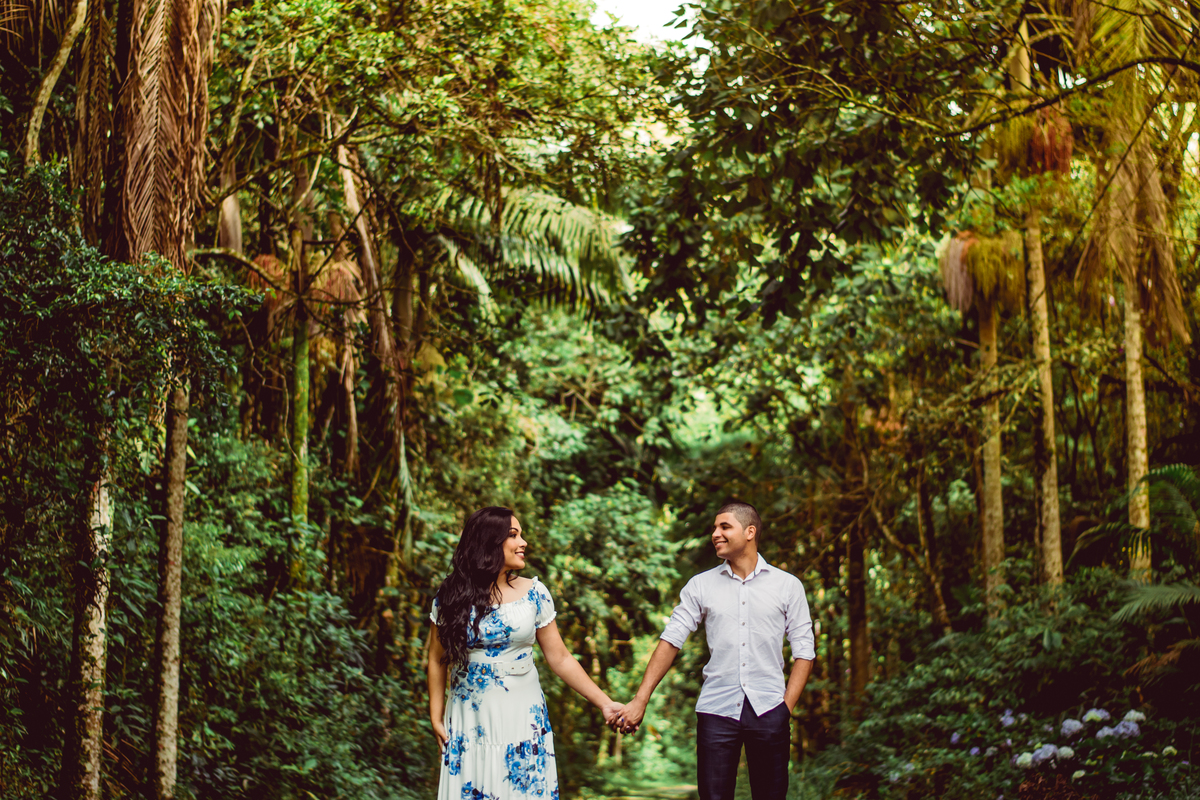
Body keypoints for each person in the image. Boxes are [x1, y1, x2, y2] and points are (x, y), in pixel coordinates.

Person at [614, 501, 815, 800]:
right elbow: (671, 640)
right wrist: (640, 699)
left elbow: (804, 649)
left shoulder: (787, 586)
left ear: (750, 532)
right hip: (716, 711)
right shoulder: (700, 586)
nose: (715, 534)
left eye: (724, 526)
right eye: (714, 528)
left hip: (770, 709)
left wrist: (785, 709)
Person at [427, 506, 624, 799]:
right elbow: (435, 659)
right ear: (489, 542)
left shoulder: (535, 592)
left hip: (522, 713)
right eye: (513, 535)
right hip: (470, 716)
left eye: (521, 534)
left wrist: (605, 703)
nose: (524, 542)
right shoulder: (451, 596)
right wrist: (436, 716)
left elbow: (561, 658)